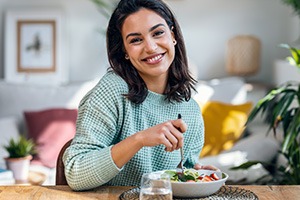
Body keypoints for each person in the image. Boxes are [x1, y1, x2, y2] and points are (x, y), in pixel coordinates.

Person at [63, 0, 217, 191]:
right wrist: (140, 139)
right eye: (136, 40)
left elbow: (179, 173)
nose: (151, 47)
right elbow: (76, 173)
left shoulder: (190, 109)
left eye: (158, 33)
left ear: (173, 35)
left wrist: (195, 175)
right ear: (125, 51)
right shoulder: (111, 91)